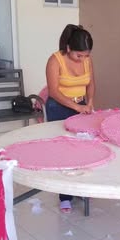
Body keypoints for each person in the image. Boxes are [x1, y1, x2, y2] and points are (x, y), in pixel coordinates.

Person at [45, 24, 95, 213]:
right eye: (78, 56)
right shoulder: (55, 60)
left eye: (86, 55)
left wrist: (89, 102)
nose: (83, 59)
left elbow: (91, 84)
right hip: (59, 107)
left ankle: (81, 187)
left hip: (81, 106)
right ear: (68, 48)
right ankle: (64, 195)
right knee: (64, 151)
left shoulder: (88, 60)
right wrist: (77, 107)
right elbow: (53, 91)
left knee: (83, 148)